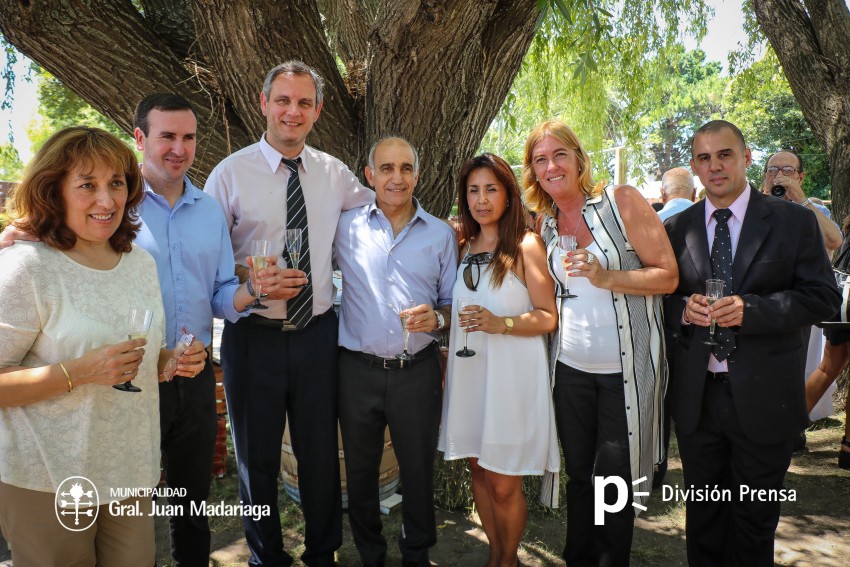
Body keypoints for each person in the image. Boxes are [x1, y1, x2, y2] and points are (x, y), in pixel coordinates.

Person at [0, 126, 204, 566]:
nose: (107, 200)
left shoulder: (140, 263)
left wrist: (171, 362)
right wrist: (78, 372)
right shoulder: (26, 266)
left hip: (130, 471)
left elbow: (138, 358)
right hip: (49, 478)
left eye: (116, 183)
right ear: (54, 190)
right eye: (87, 185)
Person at [205, 60, 373, 567]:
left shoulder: (334, 174)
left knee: (321, 456)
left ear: (317, 111)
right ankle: (265, 558)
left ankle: (324, 555)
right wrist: (248, 278)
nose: (292, 112)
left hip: (317, 337)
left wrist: (447, 233)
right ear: (263, 103)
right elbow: (206, 259)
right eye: (283, 100)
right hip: (252, 339)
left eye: (303, 103)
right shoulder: (229, 174)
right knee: (256, 461)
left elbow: (379, 225)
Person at [664, 120, 840, 566]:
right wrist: (684, 309)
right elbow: (660, 302)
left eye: (724, 154)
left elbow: (822, 298)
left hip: (766, 400)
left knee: (752, 527)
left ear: (745, 158)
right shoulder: (677, 227)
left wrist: (752, 311)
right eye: (704, 158)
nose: (715, 166)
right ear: (694, 167)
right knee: (703, 522)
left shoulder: (794, 222)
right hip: (698, 401)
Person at [523, 120, 678, 567]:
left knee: (614, 481)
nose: (551, 166)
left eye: (559, 155)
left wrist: (605, 276)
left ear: (578, 158)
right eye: (540, 159)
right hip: (569, 370)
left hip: (623, 373)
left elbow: (668, 276)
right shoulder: (546, 225)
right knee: (579, 478)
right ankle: (579, 558)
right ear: (533, 172)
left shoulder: (620, 201)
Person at [132, 93, 275, 566]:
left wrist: (253, 290)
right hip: (130, 380)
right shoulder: (115, 208)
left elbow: (220, 293)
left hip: (193, 378)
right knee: (125, 508)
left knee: (189, 507)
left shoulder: (210, 211)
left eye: (188, 137)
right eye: (167, 136)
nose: (179, 147)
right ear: (140, 138)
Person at [335, 136, 456, 567]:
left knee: (419, 469)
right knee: (361, 473)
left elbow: (451, 307)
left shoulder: (441, 235)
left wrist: (437, 319)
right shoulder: (345, 227)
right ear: (369, 175)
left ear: (417, 175)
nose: (396, 178)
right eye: (386, 168)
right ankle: (370, 553)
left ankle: (416, 553)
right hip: (357, 371)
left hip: (417, 371)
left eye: (406, 168)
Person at [439, 152, 560, 567]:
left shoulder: (526, 245)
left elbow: (548, 318)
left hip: (511, 382)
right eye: (473, 190)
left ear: (509, 194)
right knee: (478, 472)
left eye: (491, 189)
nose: (481, 199)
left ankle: (506, 561)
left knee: (505, 483)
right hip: (470, 376)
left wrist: (501, 323)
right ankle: (495, 554)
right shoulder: (462, 245)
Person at [760, 149, 842, 441]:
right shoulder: (754, 206)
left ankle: (791, 430)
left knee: (794, 368)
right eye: (772, 170)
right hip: (758, 302)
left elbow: (835, 240)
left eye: (788, 170)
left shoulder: (812, 210)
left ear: (801, 176)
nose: (779, 176)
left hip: (797, 305)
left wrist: (802, 200)